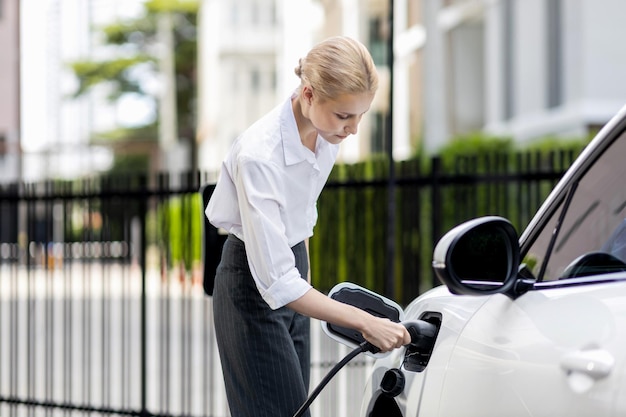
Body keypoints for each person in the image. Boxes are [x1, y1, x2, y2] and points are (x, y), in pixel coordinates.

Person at [205, 36, 410, 417]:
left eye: (361, 115)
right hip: (251, 286)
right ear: (309, 94)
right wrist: (367, 323)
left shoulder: (326, 138)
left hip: (292, 274)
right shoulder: (259, 156)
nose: (353, 130)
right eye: (344, 116)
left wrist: (307, 286)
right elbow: (277, 281)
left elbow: (300, 224)